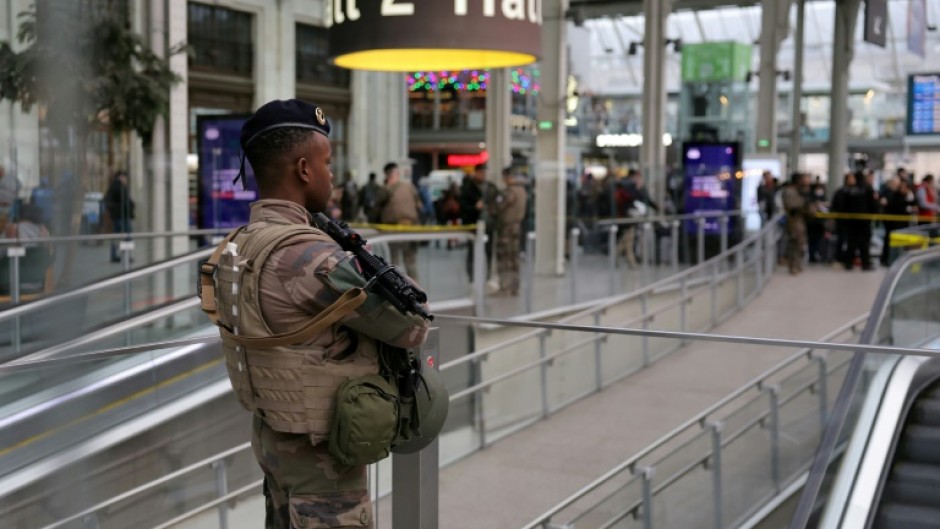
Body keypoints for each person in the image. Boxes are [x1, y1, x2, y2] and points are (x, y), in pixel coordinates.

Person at [204, 99, 428, 529]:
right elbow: (413, 325)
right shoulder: (306, 255)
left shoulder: (241, 242)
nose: (332, 174)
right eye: (327, 162)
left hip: (276, 443)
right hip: (322, 463)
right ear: (304, 169)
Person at [376, 162, 422, 280]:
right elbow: (419, 205)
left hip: (393, 229)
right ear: (397, 173)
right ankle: (416, 289)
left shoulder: (384, 189)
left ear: (386, 175)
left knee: (395, 260)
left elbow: (376, 208)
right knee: (410, 260)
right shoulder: (409, 187)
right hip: (410, 227)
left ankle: (398, 289)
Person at [459, 163, 499, 280]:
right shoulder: (467, 188)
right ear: (476, 173)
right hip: (473, 223)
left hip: (489, 224)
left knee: (489, 250)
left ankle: (488, 276)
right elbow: (463, 206)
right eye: (481, 172)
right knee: (472, 251)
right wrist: (474, 207)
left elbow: (497, 204)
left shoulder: (491, 187)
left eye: (485, 172)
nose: (483, 175)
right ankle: (472, 276)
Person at [494, 167, 528, 296]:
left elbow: (498, 207)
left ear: (506, 177)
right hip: (517, 227)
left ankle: (505, 287)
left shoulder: (508, 192)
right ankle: (515, 286)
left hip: (506, 228)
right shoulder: (522, 190)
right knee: (514, 257)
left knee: (504, 257)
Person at [781, 172, 811, 275]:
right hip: (793, 220)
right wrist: (803, 204)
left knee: (800, 244)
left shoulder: (800, 192)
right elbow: (792, 207)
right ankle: (792, 265)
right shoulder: (789, 192)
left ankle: (797, 264)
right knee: (794, 243)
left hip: (800, 220)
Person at [882, 178, 917, 267]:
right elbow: (900, 208)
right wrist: (910, 209)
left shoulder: (904, 196)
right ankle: (887, 259)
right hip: (893, 224)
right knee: (890, 242)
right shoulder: (895, 196)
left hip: (900, 224)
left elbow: (912, 203)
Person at [104, 170, 135, 263]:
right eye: (125, 177)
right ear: (121, 177)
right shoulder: (119, 187)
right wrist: (131, 205)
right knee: (127, 236)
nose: (126, 180)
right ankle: (125, 255)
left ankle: (115, 255)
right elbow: (125, 201)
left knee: (117, 236)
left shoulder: (115, 186)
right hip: (121, 216)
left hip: (118, 216)